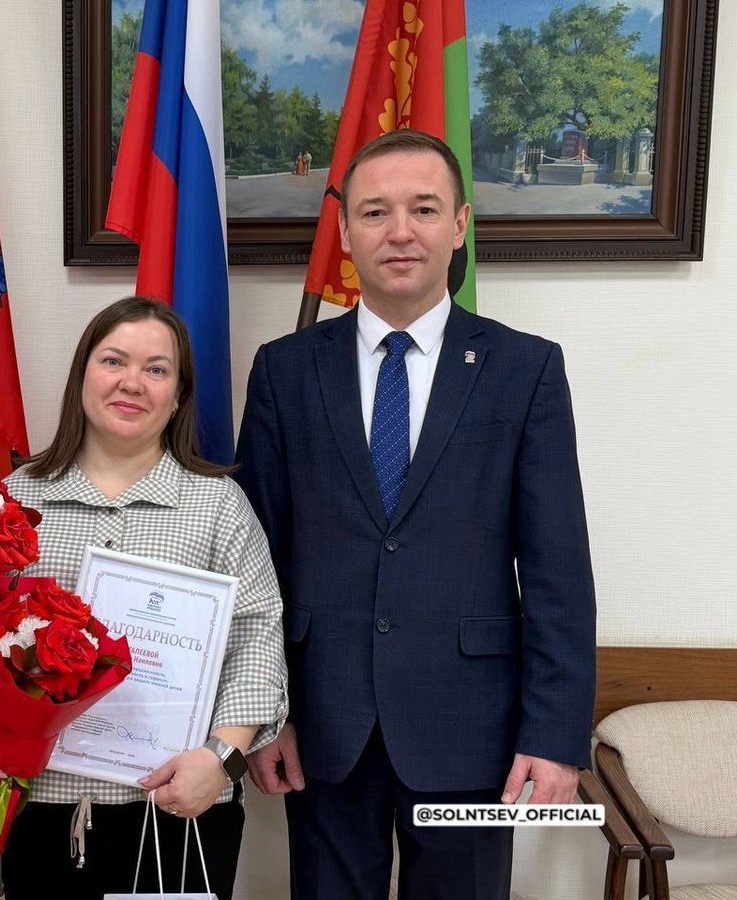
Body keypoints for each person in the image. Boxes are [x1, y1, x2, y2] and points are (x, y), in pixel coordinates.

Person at [233, 130, 596, 900]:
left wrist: (555, 736)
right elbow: (256, 565)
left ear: (459, 225)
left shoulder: (526, 369)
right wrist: (262, 715)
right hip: (324, 726)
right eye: (375, 212)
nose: (400, 231)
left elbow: (558, 571)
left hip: (472, 731)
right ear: (345, 233)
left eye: (424, 209)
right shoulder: (285, 370)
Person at [0, 296, 288, 900]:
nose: (133, 382)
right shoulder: (12, 502)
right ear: (82, 375)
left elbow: (257, 643)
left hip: (180, 806)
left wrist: (222, 760)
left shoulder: (219, 506)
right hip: (42, 803)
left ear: (178, 395)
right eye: (114, 361)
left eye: (157, 369)